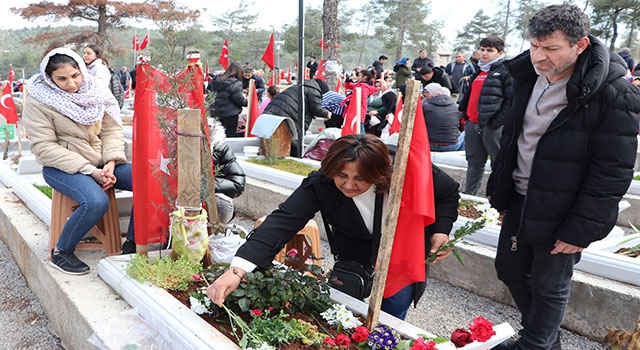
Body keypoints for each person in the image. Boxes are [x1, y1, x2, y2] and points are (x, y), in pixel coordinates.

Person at [487, 4, 640, 350]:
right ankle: (542, 338)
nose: (539, 57)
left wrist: (581, 229)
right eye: (534, 46)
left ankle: (537, 343)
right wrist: (503, 194)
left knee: (548, 283)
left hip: (565, 208)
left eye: (551, 48)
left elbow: (613, 171)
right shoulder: (526, 77)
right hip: (522, 198)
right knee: (509, 269)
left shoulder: (613, 94)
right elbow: (514, 140)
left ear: (580, 45)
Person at [206, 134, 460, 320]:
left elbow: (448, 193)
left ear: (380, 173)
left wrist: (441, 229)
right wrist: (238, 270)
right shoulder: (322, 183)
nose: (349, 185)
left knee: (392, 315)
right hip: (355, 253)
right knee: (347, 313)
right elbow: (282, 221)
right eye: (342, 176)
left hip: (403, 252)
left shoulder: (406, 168)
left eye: (360, 178)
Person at [23, 48, 135, 274]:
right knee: (95, 202)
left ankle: (133, 243)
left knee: (148, 182)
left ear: (82, 70)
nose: (72, 84)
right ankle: (61, 252)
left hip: (103, 162)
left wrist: (111, 161)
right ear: (49, 78)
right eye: (61, 79)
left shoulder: (96, 91)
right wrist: (90, 171)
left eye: (75, 75)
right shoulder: (39, 100)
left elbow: (112, 129)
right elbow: (44, 147)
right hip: (63, 167)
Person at [457, 36, 512, 196]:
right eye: (482, 49)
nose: (484, 53)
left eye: (490, 50)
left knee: (497, 162)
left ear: (500, 52)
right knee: (474, 162)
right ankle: (469, 194)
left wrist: (496, 123)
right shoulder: (480, 70)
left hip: (492, 126)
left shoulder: (505, 71)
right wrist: (465, 116)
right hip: (472, 123)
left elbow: (511, 101)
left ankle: (497, 196)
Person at [263, 78, 331, 156]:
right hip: (286, 115)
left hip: (273, 111)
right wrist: (327, 114)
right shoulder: (314, 90)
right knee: (293, 140)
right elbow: (316, 109)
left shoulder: (299, 86)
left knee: (272, 140)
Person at [208, 62, 248, 138]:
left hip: (215, 111)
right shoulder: (236, 83)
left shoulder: (215, 81)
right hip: (230, 114)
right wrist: (248, 102)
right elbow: (239, 100)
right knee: (230, 135)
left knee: (217, 135)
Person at [422, 83, 464, 152]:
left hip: (429, 144)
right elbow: (462, 126)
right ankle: (461, 155)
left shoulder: (425, 107)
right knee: (466, 133)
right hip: (451, 145)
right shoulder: (457, 108)